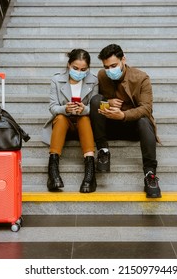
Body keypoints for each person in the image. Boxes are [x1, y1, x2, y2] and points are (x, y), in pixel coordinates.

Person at [90, 44, 161, 198]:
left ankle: (150, 174)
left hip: (132, 126)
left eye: (113, 66)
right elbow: (97, 101)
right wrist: (108, 102)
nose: (109, 70)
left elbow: (146, 109)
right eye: (106, 67)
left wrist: (123, 115)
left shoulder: (141, 78)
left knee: (144, 121)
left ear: (123, 59)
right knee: (95, 100)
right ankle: (103, 151)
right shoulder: (102, 75)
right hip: (109, 125)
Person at [42, 49, 99, 193]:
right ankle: (53, 173)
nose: (79, 72)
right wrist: (65, 109)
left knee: (85, 119)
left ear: (88, 69)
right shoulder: (56, 80)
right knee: (60, 118)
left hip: (83, 123)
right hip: (64, 123)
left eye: (83, 69)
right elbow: (53, 107)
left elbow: (96, 108)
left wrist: (84, 109)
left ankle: (90, 175)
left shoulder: (93, 80)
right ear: (68, 65)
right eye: (75, 68)